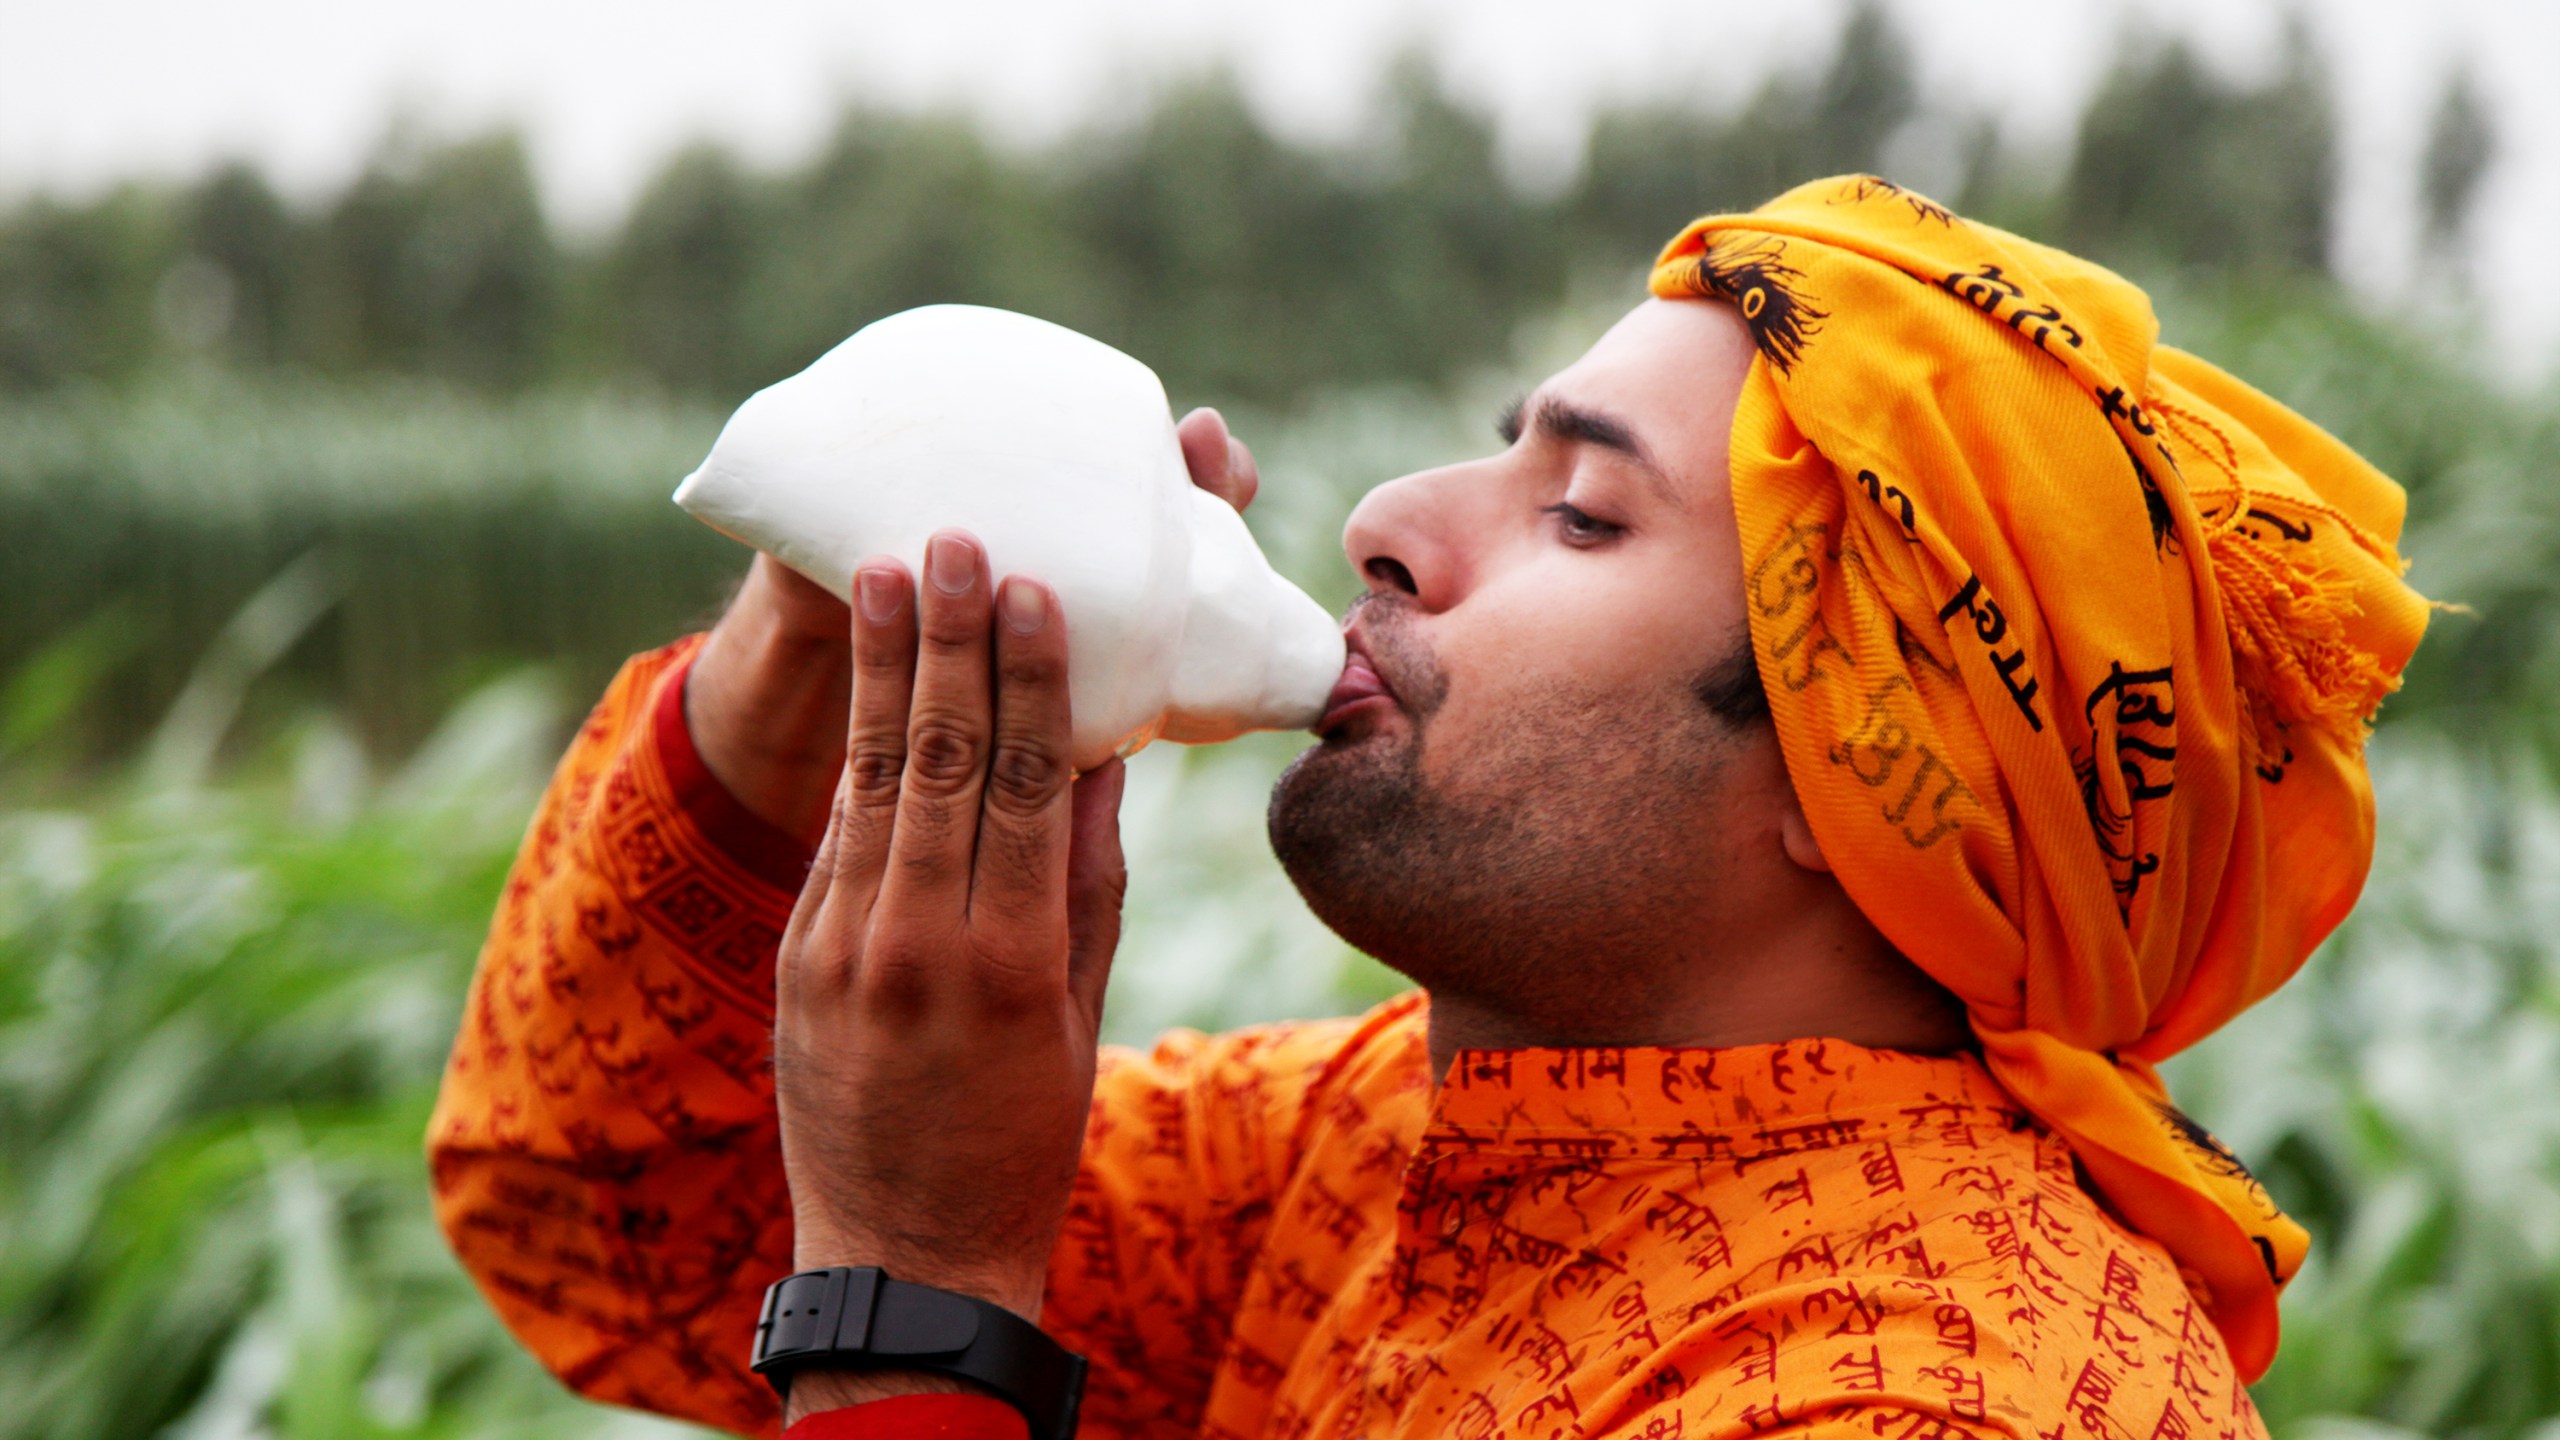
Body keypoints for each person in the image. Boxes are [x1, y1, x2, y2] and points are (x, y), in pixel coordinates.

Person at [427, 177, 2430, 1440]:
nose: (1382, 522)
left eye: (1579, 510)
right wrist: (849, 595)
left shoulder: (1927, 1396)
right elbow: (623, 1225)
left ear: (1864, 784)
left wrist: (918, 1312)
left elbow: (808, 1284)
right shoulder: (1385, 1143)